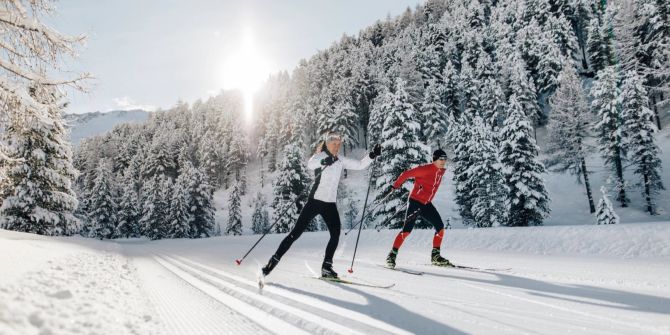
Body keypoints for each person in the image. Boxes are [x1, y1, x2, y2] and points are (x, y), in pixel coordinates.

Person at [262, 132, 382, 278]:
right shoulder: (320, 156)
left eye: (339, 144)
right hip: (315, 201)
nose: (337, 146)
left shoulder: (340, 160)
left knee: (335, 234)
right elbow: (310, 164)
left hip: (329, 204)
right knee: (295, 234)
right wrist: (324, 162)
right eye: (334, 144)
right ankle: (272, 263)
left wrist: (372, 155)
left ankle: (326, 267)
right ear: (327, 143)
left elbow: (359, 165)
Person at [385, 149, 452, 268]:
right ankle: (392, 255)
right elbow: (406, 174)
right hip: (415, 203)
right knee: (406, 231)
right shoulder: (425, 169)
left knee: (440, 228)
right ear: (434, 159)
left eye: (444, 159)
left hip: (426, 204)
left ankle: (435, 256)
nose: (443, 161)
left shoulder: (440, 171)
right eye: (440, 159)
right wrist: (395, 186)